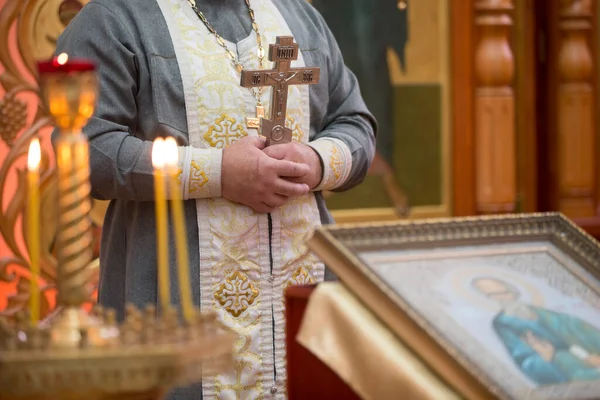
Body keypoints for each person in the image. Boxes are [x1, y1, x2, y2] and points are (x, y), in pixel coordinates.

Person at [54, 0, 376, 399]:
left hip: (304, 300)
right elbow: (84, 149)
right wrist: (219, 172)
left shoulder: (299, 15)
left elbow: (355, 123)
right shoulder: (116, 17)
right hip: (172, 310)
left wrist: (315, 161)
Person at [472, 277, 600, 385]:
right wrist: (545, 358)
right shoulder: (503, 323)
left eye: (504, 292)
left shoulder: (544, 313)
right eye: (492, 295)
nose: (502, 298)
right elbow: (522, 357)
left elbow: (581, 329)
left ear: (513, 291)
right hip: (565, 368)